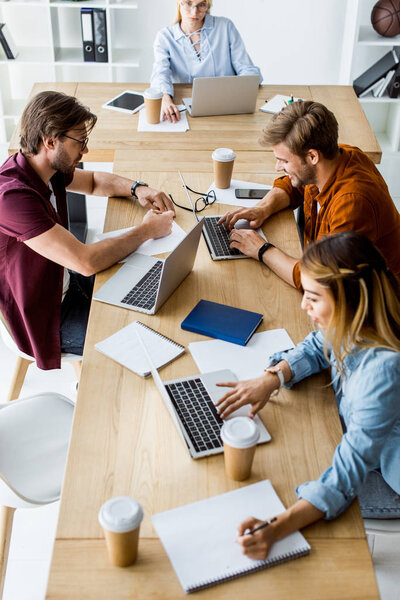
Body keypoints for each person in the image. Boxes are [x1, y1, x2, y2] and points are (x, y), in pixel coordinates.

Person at [215, 231, 400, 560]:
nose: (303, 305)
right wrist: (274, 376)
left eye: (313, 298)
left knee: (288, 479)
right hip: (364, 440)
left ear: (348, 300)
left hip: (389, 478)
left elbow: (346, 475)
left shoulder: (383, 371)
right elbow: (320, 344)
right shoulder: (366, 317)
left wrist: (277, 526)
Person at [0, 91, 175, 370]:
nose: (85, 151)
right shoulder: (12, 199)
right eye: (80, 142)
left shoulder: (46, 168)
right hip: (49, 319)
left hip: (66, 282)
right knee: (147, 342)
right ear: (49, 141)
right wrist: (146, 231)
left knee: (157, 290)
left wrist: (139, 188)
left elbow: (93, 182)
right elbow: (86, 262)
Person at [218, 101, 400, 289]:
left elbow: (320, 280)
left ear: (312, 156)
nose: (277, 167)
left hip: (373, 304)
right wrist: (262, 208)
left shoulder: (352, 205)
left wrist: (262, 249)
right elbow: (295, 184)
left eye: (284, 160)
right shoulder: (334, 157)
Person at [150, 0, 262, 122]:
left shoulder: (225, 27)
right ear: (178, 3)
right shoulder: (165, 37)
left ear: (208, 5)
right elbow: (160, 73)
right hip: (185, 112)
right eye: (188, 3)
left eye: (201, 5)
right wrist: (165, 98)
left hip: (226, 109)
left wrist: (241, 92)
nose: (194, 12)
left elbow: (247, 69)